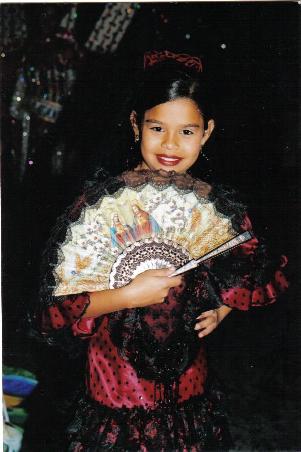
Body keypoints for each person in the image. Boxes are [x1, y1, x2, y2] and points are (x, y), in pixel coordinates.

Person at [38, 50, 289, 451]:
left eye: (187, 131)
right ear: (136, 125)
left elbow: (252, 264)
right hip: (115, 376)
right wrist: (127, 295)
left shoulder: (212, 207)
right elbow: (57, 308)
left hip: (189, 371)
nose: (170, 144)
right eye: (157, 127)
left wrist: (224, 307)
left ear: (207, 132)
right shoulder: (102, 204)